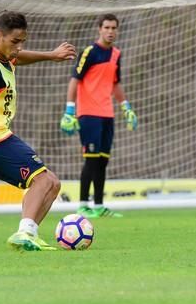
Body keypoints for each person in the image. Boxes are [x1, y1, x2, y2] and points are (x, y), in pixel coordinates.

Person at [0, 11, 76, 251]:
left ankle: (29, 235)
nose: (19, 47)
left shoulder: (3, 55)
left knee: (52, 183)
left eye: (23, 41)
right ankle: (24, 232)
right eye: (15, 42)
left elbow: (17, 58)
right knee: (42, 180)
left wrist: (51, 55)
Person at [59, 13, 138, 218]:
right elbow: (74, 80)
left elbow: (115, 84)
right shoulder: (89, 52)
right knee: (91, 160)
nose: (110, 31)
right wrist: (69, 110)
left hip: (107, 114)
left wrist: (126, 107)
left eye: (114, 28)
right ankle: (83, 205)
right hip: (88, 114)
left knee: (103, 161)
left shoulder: (116, 54)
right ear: (99, 29)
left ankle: (99, 206)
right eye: (107, 28)